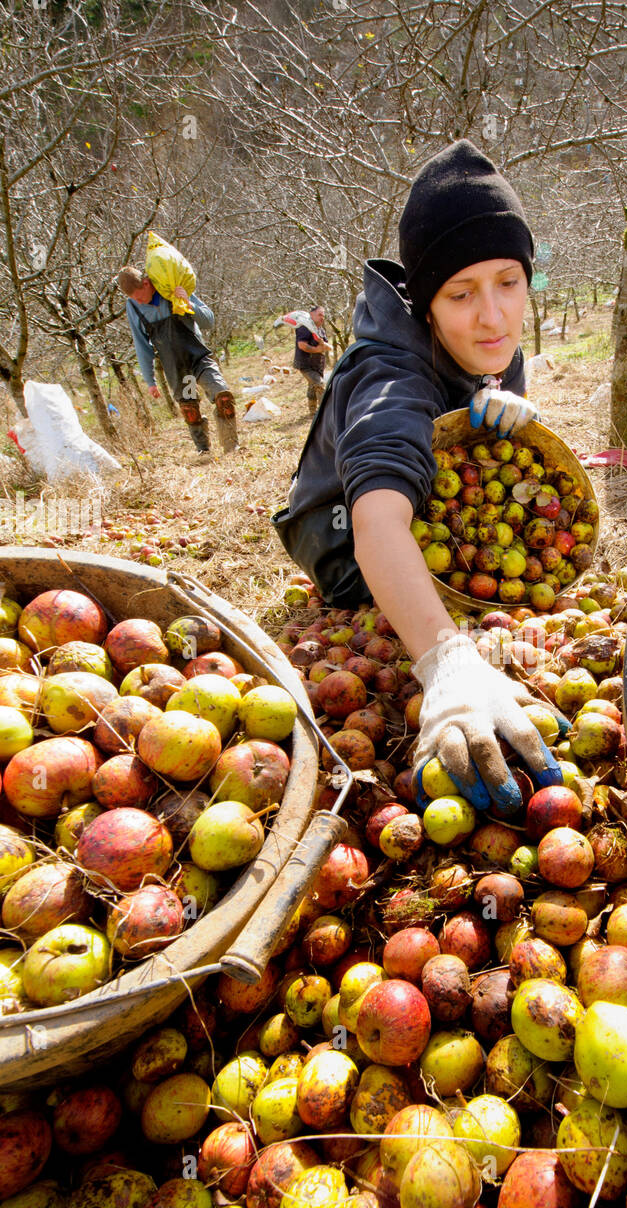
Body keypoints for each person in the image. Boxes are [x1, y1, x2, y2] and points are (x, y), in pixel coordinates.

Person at [274, 139, 563, 815]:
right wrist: (446, 663)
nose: (492, 315)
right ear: (425, 304)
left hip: (432, 519)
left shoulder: (487, 343)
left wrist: (519, 414)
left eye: (508, 283)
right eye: (461, 293)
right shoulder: (390, 376)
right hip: (347, 544)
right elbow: (376, 515)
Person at [118, 267, 240, 460]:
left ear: (147, 284)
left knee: (223, 397)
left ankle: (232, 449)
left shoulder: (171, 285)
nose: (139, 302)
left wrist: (188, 303)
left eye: (140, 297)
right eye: (135, 299)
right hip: (177, 368)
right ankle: (203, 451)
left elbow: (209, 321)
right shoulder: (132, 306)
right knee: (190, 409)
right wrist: (150, 381)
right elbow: (141, 344)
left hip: (198, 359)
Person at [293, 306, 329, 416]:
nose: (322, 318)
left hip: (318, 364)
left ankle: (313, 413)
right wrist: (317, 349)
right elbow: (302, 345)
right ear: (311, 315)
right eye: (319, 315)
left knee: (313, 387)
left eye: (323, 315)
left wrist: (323, 344)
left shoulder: (320, 330)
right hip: (306, 364)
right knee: (320, 384)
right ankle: (325, 413)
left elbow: (326, 346)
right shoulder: (304, 327)